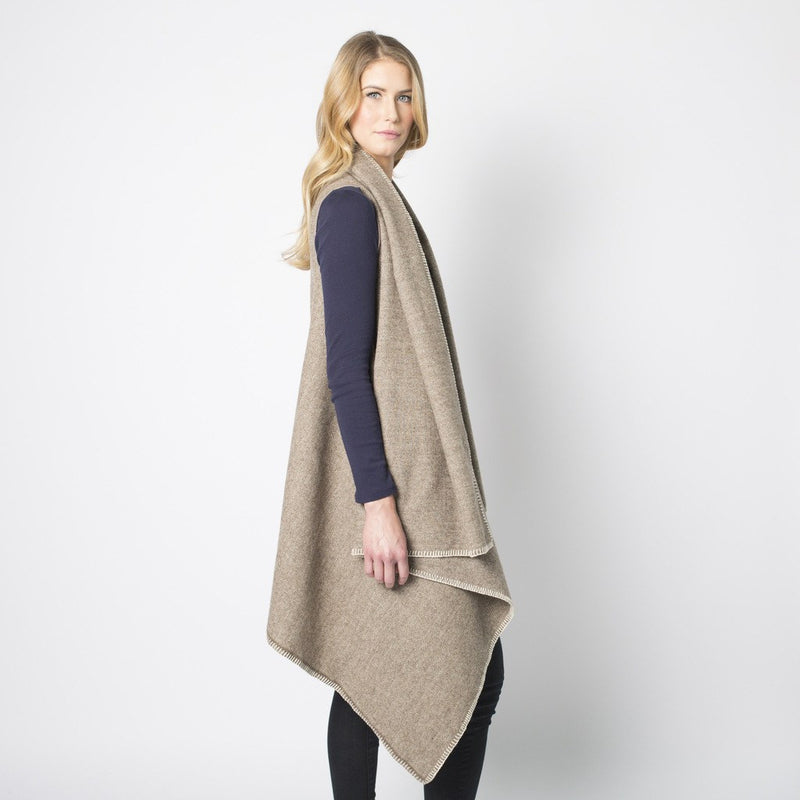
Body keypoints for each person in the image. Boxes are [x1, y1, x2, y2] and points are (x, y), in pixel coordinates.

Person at [267, 31, 514, 799]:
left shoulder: (374, 197)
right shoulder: (351, 204)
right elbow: (346, 370)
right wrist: (378, 505)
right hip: (391, 489)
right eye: (373, 94)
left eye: (403, 95)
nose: (392, 111)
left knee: (370, 670)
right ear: (344, 105)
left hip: (397, 481)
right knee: (465, 666)